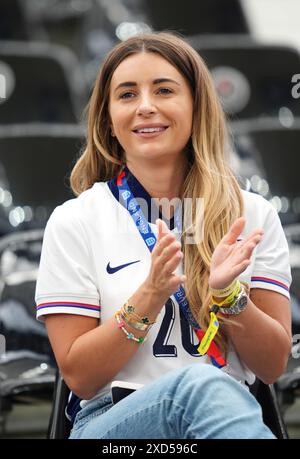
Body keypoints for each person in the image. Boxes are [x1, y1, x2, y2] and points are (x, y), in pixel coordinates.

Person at [35, 32, 292, 439]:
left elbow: (273, 366)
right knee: (195, 386)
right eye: (127, 95)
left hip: (225, 419)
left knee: (206, 390)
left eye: (164, 90)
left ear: (196, 106)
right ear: (108, 121)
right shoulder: (75, 221)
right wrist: (150, 296)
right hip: (111, 423)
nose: (146, 107)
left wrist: (229, 298)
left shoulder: (251, 214)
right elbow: (81, 376)